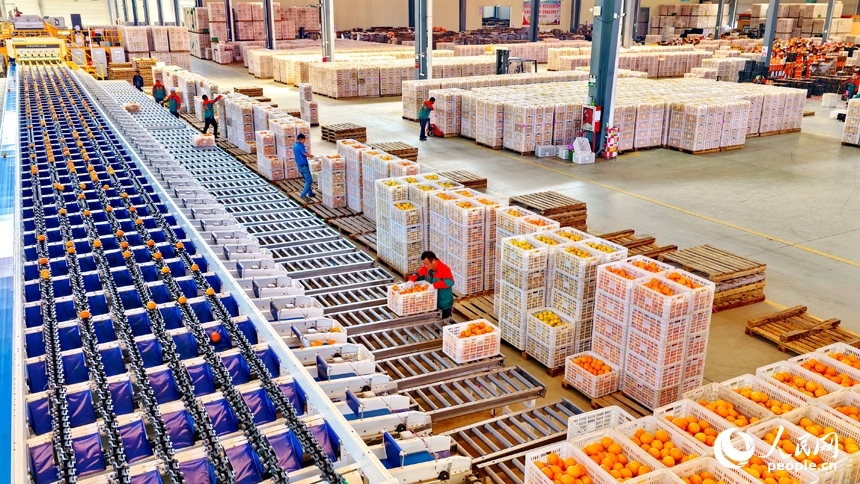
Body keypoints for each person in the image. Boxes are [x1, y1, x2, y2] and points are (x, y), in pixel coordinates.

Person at [408, 251, 455, 319]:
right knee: (434, 320)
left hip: (443, 302)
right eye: (424, 264)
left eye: (427, 264)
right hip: (431, 301)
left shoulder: (444, 269)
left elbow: (450, 282)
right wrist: (411, 280)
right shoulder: (426, 268)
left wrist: (434, 285)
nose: (425, 266)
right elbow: (417, 274)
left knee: (445, 320)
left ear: (433, 261)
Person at [294, 133, 314, 200]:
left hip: (299, 165)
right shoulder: (301, 145)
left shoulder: (295, 145)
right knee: (309, 180)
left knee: (306, 179)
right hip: (303, 165)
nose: (304, 141)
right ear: (302, 139)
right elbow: (304, 153)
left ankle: (310, 193)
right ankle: (303, 195)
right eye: (304, 139)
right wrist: (312, 156)